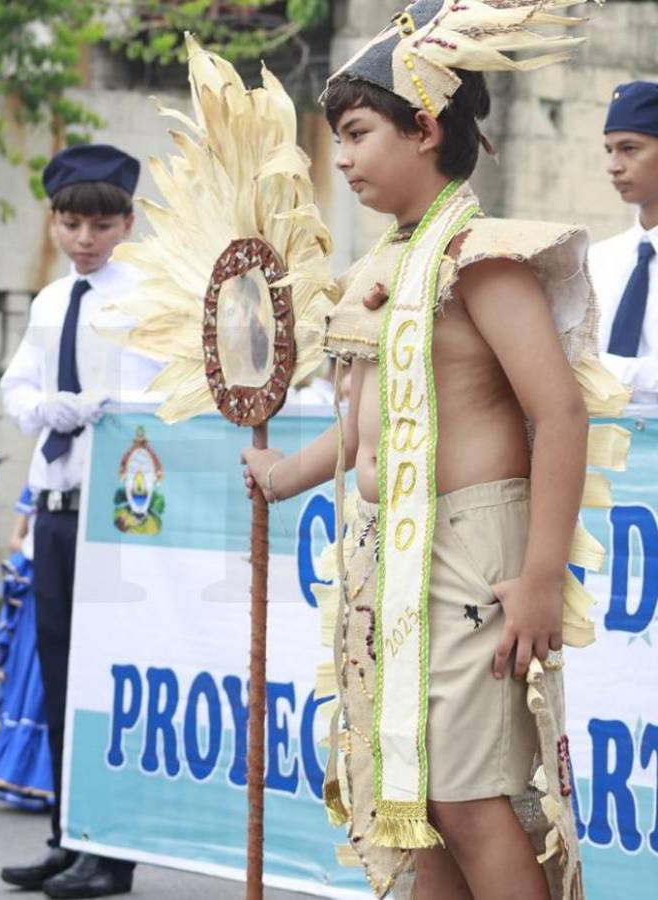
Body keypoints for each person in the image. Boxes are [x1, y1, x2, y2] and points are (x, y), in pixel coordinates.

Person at [240, 2, 625, 897]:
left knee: (467, 799)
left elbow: (559, 413)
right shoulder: (387, 264)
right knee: (414, 805)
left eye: (359, 134)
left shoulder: (483, 259)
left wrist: (540, 577)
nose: (343, 158)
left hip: (473, 551)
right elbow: (364, 424)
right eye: (340, 138)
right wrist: (282, 478)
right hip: (389, 555)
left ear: (424, 129)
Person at [0, 143, 161, 899]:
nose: (84, 239)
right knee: (62, 678)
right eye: (70, 223)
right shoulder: (50, 301)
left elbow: (168, 398)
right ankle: (67, 836)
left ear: (127, 223)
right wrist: (45, 407)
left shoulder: (146, 299)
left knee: (107, 680)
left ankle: (111, 851)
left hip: (116, 513)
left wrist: (111, 407)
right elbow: (17, 385)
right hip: (58, 511)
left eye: (100, 225)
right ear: (54, 222)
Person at [0, 484, 53, 812]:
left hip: (66, 561)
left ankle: (41, 777)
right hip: (44, 564)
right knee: (34, 670)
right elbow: (17, 536)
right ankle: (28, 774)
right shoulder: (46, 469)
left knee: (44, 671)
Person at [590, 81, 658, 401]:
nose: (613, 166)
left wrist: (597, 370)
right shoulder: (597, 260)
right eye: (610, 150)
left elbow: (575, 366)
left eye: (629, 149)